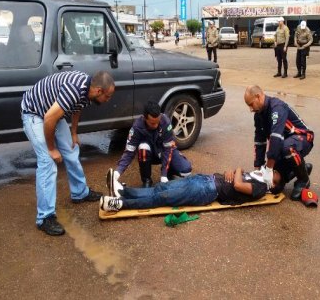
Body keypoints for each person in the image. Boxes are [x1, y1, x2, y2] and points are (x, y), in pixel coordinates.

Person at [21, 70, 115, 236]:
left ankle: (80, 193)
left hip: (52, 112)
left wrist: (73, 133)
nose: (108, 101)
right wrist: (51, 149)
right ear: (99, 91)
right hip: (35, 113)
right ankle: (44, 217)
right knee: (47, 162)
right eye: (107, 97)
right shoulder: (74, 89)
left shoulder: (88, 92)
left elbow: (76, 108)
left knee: (71, 149)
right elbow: (49, 118)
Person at [244, 85, 314, 201]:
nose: (250, 109)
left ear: (258, 96)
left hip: (302, 137)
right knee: (274, 187)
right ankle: (299, 169)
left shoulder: (277, 107)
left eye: (251, 104)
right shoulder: (258, 116)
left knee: (287, 148)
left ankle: (303, 179)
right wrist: (259, 168)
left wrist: (269, 169)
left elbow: (276, 138)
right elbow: (259, 142)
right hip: (282, 145)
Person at [101, 166, 280, 212]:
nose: (268, 171)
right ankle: (123, 192)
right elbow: (233, 177)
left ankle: (120, 204)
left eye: (273, 174)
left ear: (273, 185)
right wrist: (232, 171)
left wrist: (238, 170)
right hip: (204, 179)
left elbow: (238, 185)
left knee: (162, 197)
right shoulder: (255, 176)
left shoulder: (260, 188)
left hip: (207, 191)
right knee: (161, 187)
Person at [113, 101, 192, 188]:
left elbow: (168, 149)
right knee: (143, 148)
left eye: (157, 122)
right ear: (144, 118)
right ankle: (146, 180)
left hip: (164, 151)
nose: (155, 125)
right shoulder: (137, 127)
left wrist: (164, 175)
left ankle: (169, 172)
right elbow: (129, 151)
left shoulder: (166, 122)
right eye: (152, 123)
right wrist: (118, 172)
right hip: (149, 154)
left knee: (186, 170)